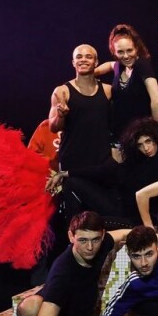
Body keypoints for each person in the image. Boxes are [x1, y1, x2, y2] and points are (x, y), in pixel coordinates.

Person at [48, 44, 117, 218]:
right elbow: (53, 127)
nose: (83, 60)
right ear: (73, 62)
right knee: (77, 219)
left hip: (100, 163)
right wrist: (61, 115)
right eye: (79, 57)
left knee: (104, 216)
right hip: (73, 164)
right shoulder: (62, 91)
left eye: (88, 56)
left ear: (96, 62)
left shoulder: (108, 91)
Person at [95, 24, 158, 140]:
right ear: (114, 52)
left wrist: (154, 132)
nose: (126, 56)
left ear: (136, 48)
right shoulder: (119, 66)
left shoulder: (142, 65)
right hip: (121, 133)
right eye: (120, 52)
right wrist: (90, 73)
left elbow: (157, 99)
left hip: (139, 135)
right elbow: (109, 65)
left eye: (129, 50)